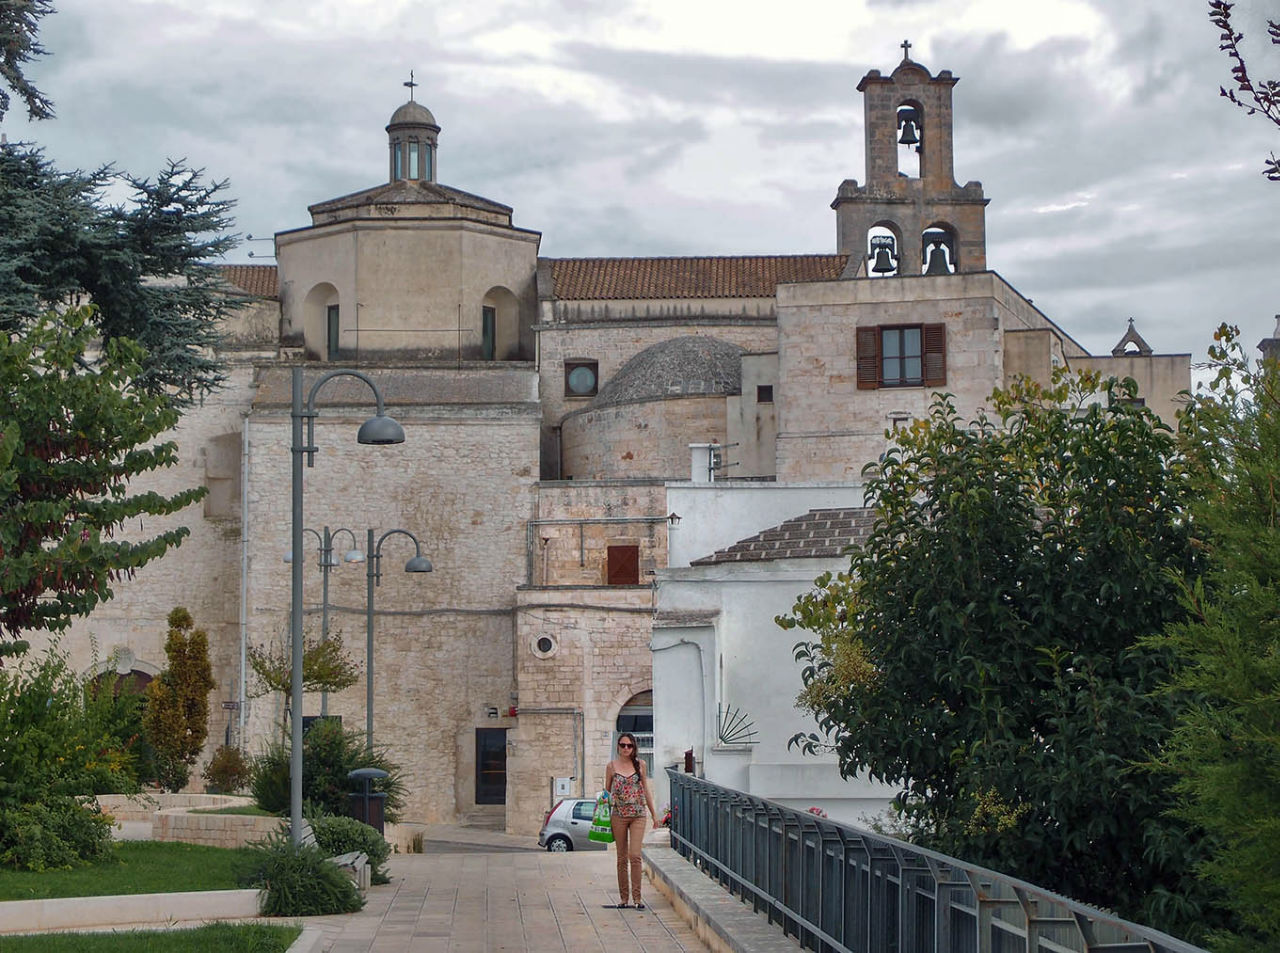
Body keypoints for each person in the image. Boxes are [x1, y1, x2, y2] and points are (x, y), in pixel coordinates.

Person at [604, 732, 658, 909]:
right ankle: (623, 899)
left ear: (634, 747)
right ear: (618, 747)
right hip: (618, 815)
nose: (626, 748)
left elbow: (646, 791)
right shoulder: (611, 767)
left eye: (629, 745)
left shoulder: (641, 765)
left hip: (638, 815)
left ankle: (637, 899)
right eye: (622, 745)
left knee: (634, 855)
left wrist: (654, 815)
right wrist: (602, 807)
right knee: (621, 858)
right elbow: (607, 793)